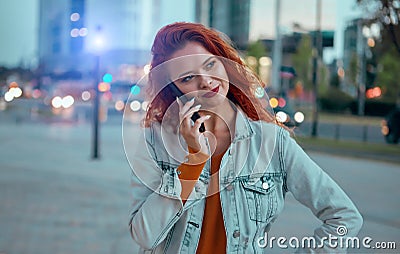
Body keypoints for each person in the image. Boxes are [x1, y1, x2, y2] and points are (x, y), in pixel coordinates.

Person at [127, 22, 363, 253]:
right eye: (187, 78)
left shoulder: (272, 142)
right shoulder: (154, 141)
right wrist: (192, 163)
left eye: (210, 64)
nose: (206, 81)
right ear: (174, 88)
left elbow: (344, 216)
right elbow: (144, 236)